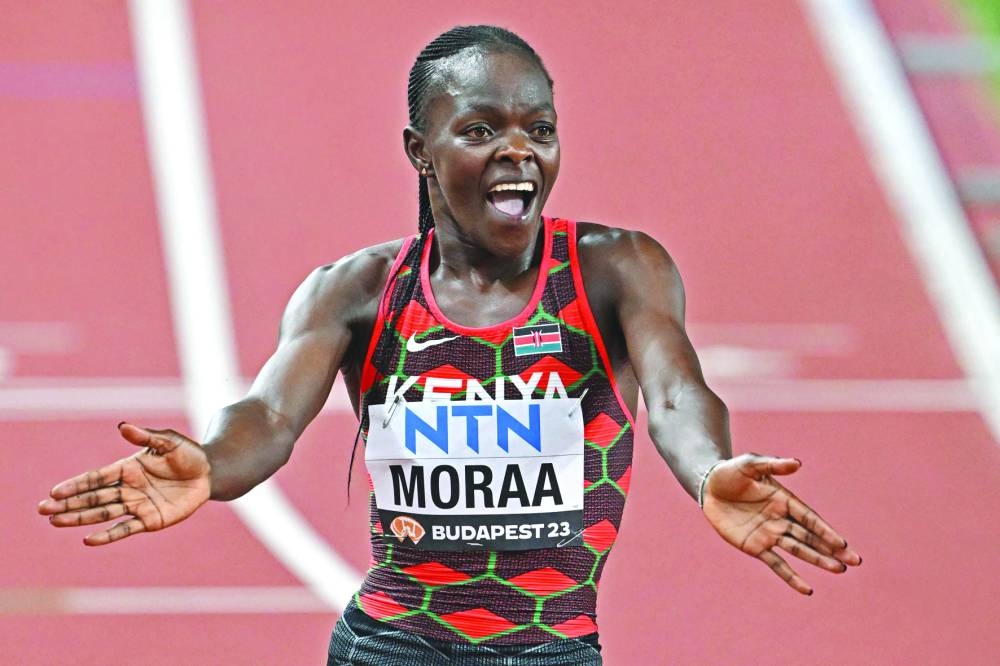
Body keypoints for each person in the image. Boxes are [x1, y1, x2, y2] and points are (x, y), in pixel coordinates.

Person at [38, 25, 861, 666]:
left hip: (552, 649)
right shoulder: (357, 291)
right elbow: (271, 415)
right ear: (419, 152)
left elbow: (678, 394)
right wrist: (212, 462)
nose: (518, 149)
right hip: (393, 646)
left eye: (539, 128)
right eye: (481, 129)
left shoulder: (615, 270)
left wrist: (710, 468)